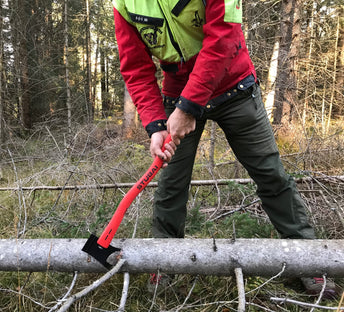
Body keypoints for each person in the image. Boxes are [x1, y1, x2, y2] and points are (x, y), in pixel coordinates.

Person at [112, 0, 337, 298]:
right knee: (171, 184)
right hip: (176, 91)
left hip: (234, 86)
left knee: (270, 174)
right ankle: (163, 261)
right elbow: (136, 68)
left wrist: (188, 107)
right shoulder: (124, 4)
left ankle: (309, 260)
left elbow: (224, 36)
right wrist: (155, 125)